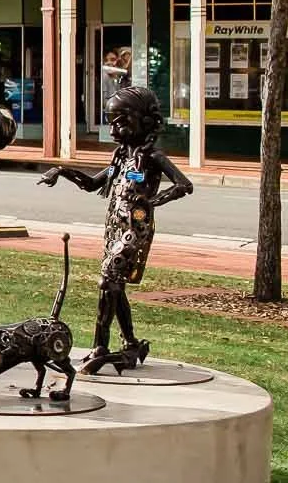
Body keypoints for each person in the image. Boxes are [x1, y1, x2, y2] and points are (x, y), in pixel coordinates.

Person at [38, 84, 192, 372]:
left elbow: (184, 185)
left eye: (121, 122)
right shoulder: (120, 159)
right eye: (112, 123)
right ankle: (131, 343)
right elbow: (92, 184)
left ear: (144, 121)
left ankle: (100, 346)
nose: (115, 129)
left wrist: (150, 201)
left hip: (135, 229)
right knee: (115, 286)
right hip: (113, 227)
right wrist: (62, 171)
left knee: (107, 282)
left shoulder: (152, 158)